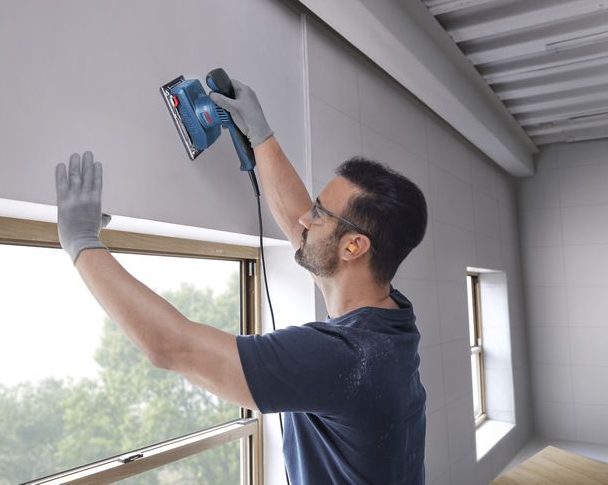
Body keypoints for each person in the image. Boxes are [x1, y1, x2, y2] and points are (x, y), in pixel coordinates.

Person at [55, 78, 428, 484]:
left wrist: (82, 244)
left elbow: (173, 346)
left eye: (320, 213)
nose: (306, 218)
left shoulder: (345, 357)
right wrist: (261, 136)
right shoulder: (389, 316)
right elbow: (305, 233)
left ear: (354, 247)